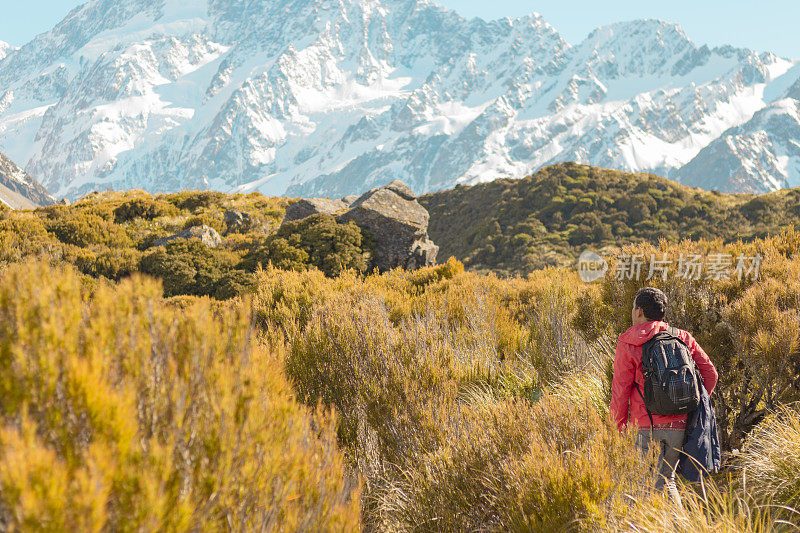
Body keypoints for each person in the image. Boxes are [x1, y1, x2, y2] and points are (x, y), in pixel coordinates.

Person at [610, 287, 718, 504]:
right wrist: (692, 405)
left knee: (639, 485)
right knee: (666, 480)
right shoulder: (682, 337)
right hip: (678, 427)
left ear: (639, 311)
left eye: (633, 308)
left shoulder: (629, 343)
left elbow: (620, 392)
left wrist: (615, 430)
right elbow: (711, 374)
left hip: (643, 428)